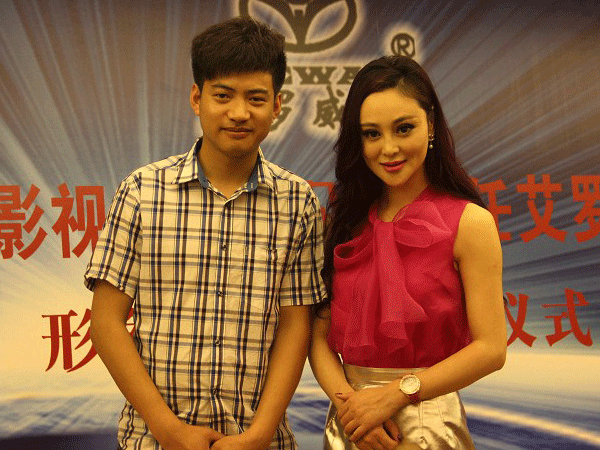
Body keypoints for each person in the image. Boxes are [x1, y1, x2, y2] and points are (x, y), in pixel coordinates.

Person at [86, 17, 326, 450]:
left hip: (260, 441)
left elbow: (296, 327)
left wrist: (259, 435)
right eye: (223, 95)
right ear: (197, 98)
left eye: (256, 98)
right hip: (153, 439)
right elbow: (105, 322)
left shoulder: (297, 201)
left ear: (277, 105)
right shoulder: (142, 190)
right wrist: (168, 430)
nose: (239, 113)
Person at [309, 55, 506, 450]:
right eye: (371, 134)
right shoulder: (344, 221)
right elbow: (318, 337)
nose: (389, 148)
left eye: (404, 128)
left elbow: (491, 349)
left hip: (428, 423)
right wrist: (353, 411)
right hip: (352, 425)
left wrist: (397, 393)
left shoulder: (470, 222)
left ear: (430, 125)